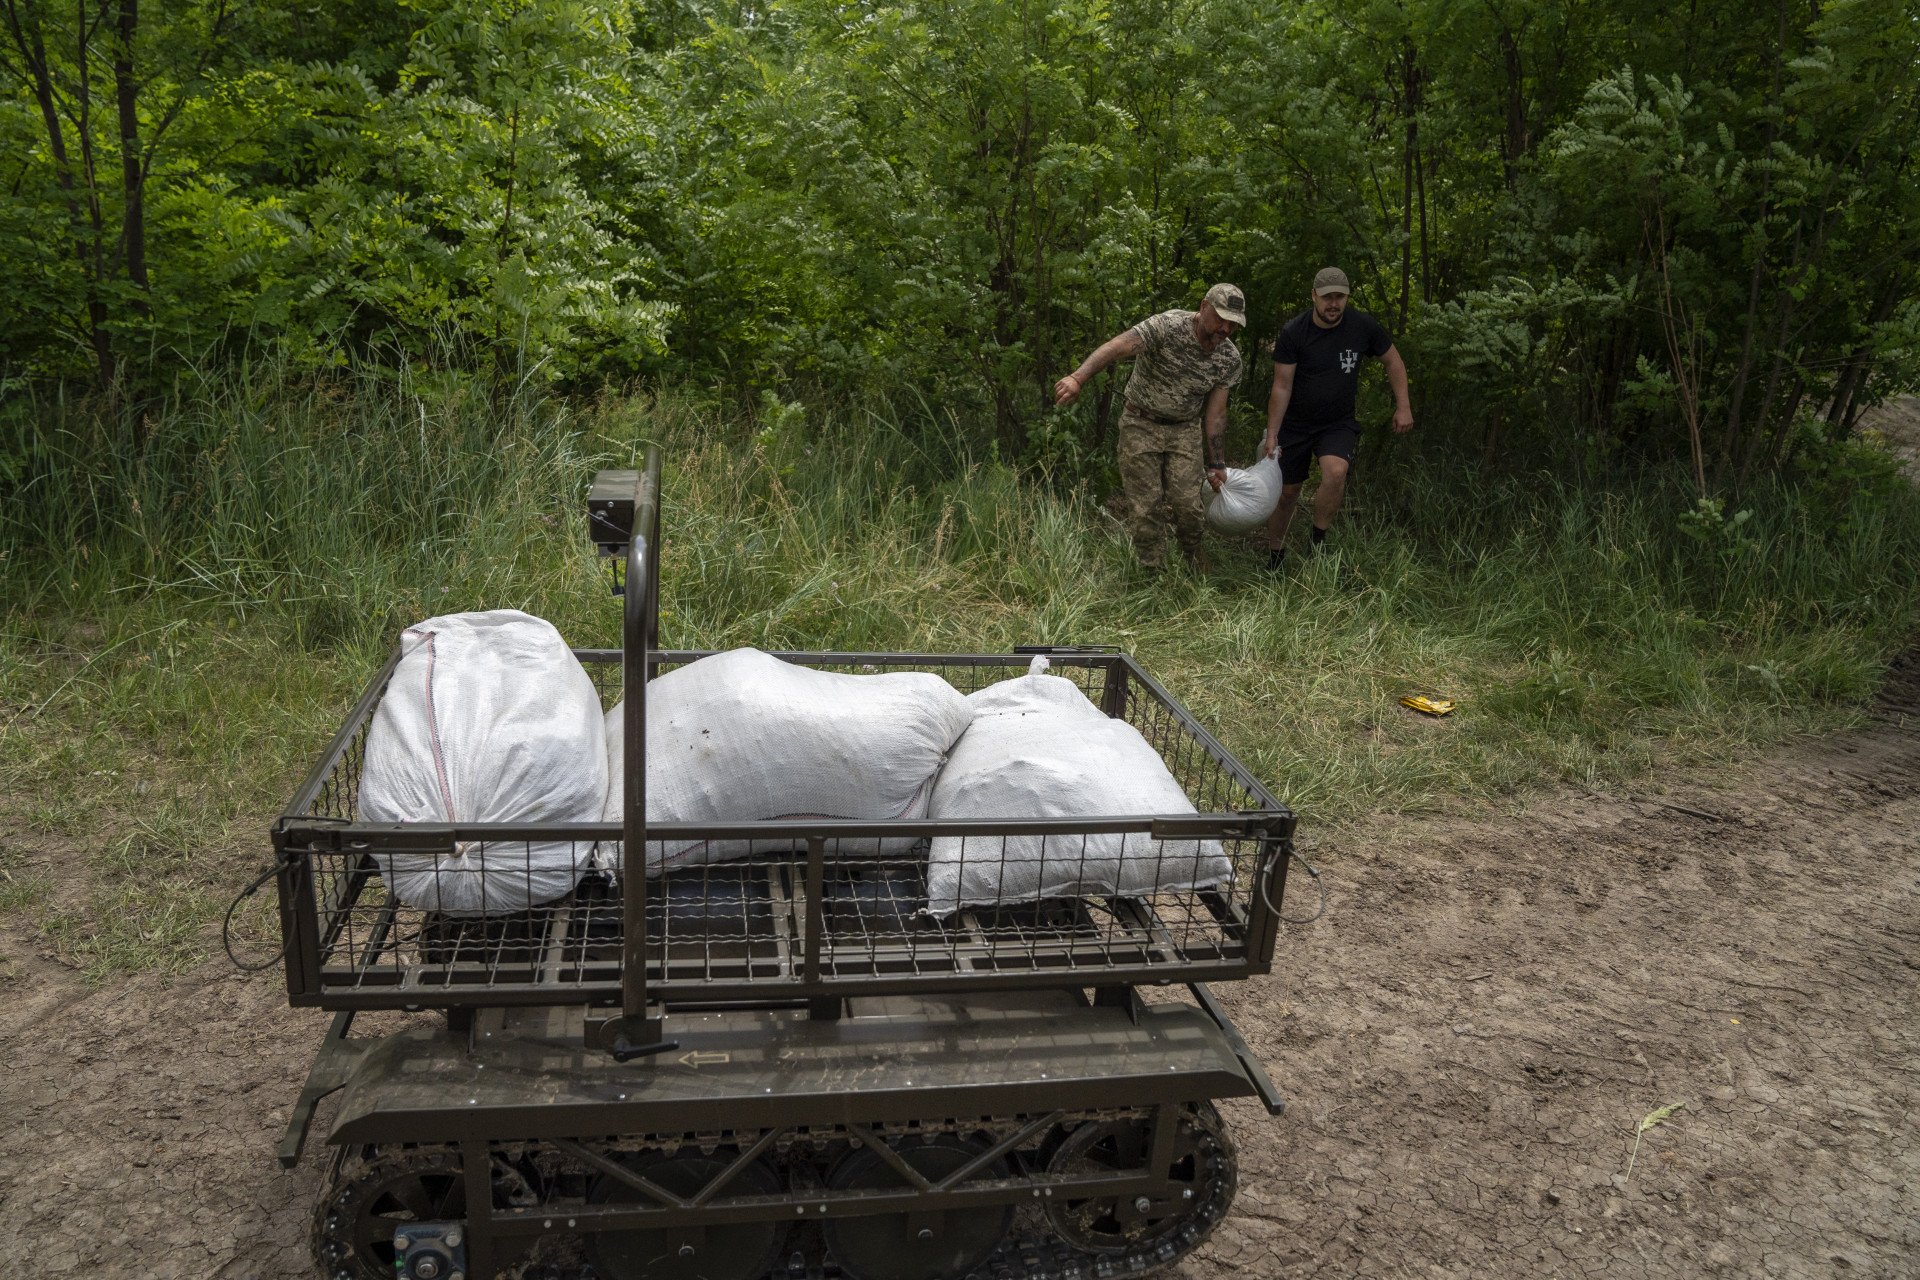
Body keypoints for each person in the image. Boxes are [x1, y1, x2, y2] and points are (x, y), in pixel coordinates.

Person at [1054, 284, 1246, 574]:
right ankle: (1153, 573)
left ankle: (1193, 556)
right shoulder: (1167, 326)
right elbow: (1116, 347)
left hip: (1184, 431)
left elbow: (1216, 414)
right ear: (1204, 306)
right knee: (1146, 507)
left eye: (1233, 323)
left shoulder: (1228, 358)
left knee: (1189, 508)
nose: (1225, 328)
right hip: (1140, 424)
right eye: (1220, 318)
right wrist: (1078, 378)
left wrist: (1218, 462)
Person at [1259, 267, 1413, 569]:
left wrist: (1403, 406)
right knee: (1288, 492)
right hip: (1296, 423)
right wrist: (1273, 433)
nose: (1333, 304)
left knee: (1336, 472)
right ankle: (1275, 556)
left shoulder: (1363, 326)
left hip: (1337, 422)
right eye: (1327, 297)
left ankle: (1318, 543)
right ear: (1314, 296)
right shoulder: (1294, 332)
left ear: (1347, 297)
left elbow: (1393, 360)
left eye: (1340, 297)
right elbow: (1281, 385)